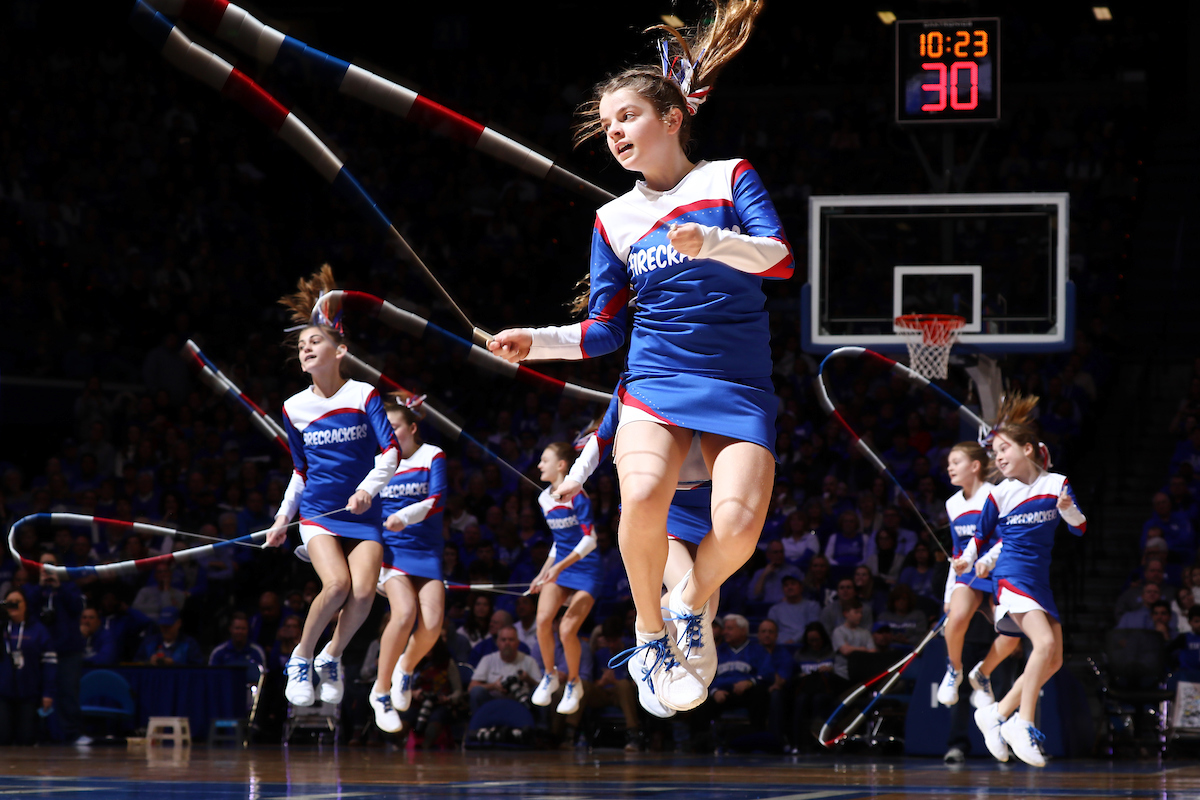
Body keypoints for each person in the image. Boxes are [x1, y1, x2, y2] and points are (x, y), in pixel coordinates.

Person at [487, 0, 788, 713]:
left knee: (739, 528)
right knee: (644, 494)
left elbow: (777, 259)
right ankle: (651, 633)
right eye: (609, 121)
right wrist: (539, 341)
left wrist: (714, 243)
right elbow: (603, 331)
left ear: (672, 117)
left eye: (628, 115)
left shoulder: (727, 178)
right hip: (655, 378)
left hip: (738, 383)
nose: (615, 129)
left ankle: (687, 599)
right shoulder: (612, 219)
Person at [267, 267, 400, 707]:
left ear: (340, 350)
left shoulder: (365, 395)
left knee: (364, 593)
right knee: (338, 585)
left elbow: (390, 452)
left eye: (315, 341)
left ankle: (331, 655)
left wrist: (368, 489)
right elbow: (300, 470)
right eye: (301, 344)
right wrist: (283, 519)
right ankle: (301, 656)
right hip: (319, 513)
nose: (306, 348)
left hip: (364, 512)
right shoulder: (293, 407)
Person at [964, 393, 1087, 768]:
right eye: (994, 453)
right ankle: (1023, 723)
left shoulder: (1056, 484)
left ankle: (996, 713)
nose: (997, 458)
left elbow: (1080, 528)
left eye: (1004, 449)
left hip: (1039, 580)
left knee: (1053, 660)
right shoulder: (999, 492)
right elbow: (980, 534)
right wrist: (967, 559)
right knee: (1044, 642)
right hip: (1011, 577)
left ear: (1029, 449)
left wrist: (1068, 510)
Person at [370, 395, 448, 733]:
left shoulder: (433, 455)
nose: (388, 434)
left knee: (431, 625)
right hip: (390, 553)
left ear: (413, 428)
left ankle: (406, 666)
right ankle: (381, 691)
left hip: (426, 551)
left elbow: (437, 499)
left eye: (395, 427)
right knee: (403, 614)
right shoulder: (377, 463)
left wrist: (404, 515)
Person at [936, 443, 1020, 709]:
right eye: (949, 462)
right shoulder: (952, 504)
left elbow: (1009, 537)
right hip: (970, 576)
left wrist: (987, 560)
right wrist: (950, 593)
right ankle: (954, 670)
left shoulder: (995, 495)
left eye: (956, 461)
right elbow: (957, 552)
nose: (950, 467)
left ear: (975, 466)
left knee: (1013, 635)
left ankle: (983, 673)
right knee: (955, 619)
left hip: (1000, 572)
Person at [528, 443, 599, 717]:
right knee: (543, 621)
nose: (539, 466)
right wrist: (543, 572)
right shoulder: (543, 499)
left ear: (561, 465)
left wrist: (558, 568)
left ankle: (573, 682)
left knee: (567, 629)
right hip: (561, 566)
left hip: (586, 567)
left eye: (544, 460)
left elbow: (590, 539)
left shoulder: (577, 495)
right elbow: (559, 544)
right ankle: (550, 675)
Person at [0, 589, 55, 746]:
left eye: (18, 601)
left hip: (29, 693)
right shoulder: (2, 629)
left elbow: (49, 664)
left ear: (26, 605)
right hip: (3, 693)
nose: (14, 605)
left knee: (26, 738)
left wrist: (48, 693)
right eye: (10, 602)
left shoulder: (38, 630)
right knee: (3, 737)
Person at [467, 626, 542, 714]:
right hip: (493, 702)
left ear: (518, 643)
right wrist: (493, 686)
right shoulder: (488, 659)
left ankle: (541, 726)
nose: (507, 643)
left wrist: (528, 679)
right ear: (497, 642)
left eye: (511, 640)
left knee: (541, 693)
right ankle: (477, 724)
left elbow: (540, 687)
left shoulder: (529, 661)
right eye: (503, 640)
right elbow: (471, 688)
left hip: (521, 702)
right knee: (477, 692)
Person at [134, 607, 202, 666]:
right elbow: (136, 664)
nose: (165, 629)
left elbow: (197, 669)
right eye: (163, 626)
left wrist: (174, 664)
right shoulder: (149, 642)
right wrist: (148, 663)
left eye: (169, 626)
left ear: (178, 623)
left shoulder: (189, 644)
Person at [767, 575, 821, 645]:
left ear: (801, 587)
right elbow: (771, 631)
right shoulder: (774, 610)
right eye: (786, 585)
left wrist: (793, 640)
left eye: (793, 584)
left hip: (805, 645)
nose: (789, 587)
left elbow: (813, 629)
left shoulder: (813, 606)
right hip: (780, 646)